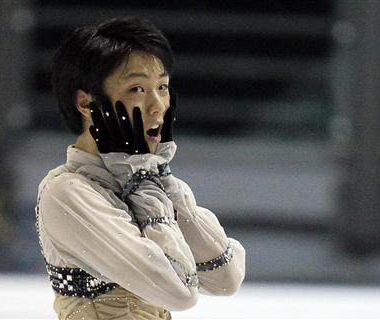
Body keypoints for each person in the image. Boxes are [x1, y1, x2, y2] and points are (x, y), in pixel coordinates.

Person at [36, 16, 246, 320]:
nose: (158, 105)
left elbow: (225, 280)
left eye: (162, 86)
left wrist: (161, 183)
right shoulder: (67, 192)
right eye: (137, 89)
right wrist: (146, 188)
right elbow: (180, 292)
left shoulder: (149, 180)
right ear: (87, 102)